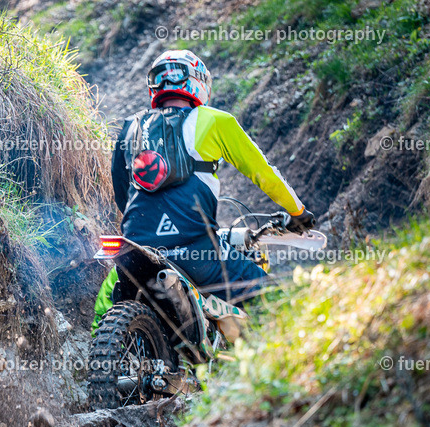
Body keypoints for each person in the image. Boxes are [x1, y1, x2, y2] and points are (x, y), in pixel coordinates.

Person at [93, 49, 313, 330]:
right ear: (198, 82)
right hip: (199, 255)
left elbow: (121, 195)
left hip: (136, 253)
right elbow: (264, 174)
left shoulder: (130, 127)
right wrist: (298, 212)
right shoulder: (215, 120)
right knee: (275, 301)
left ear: (154, 86)